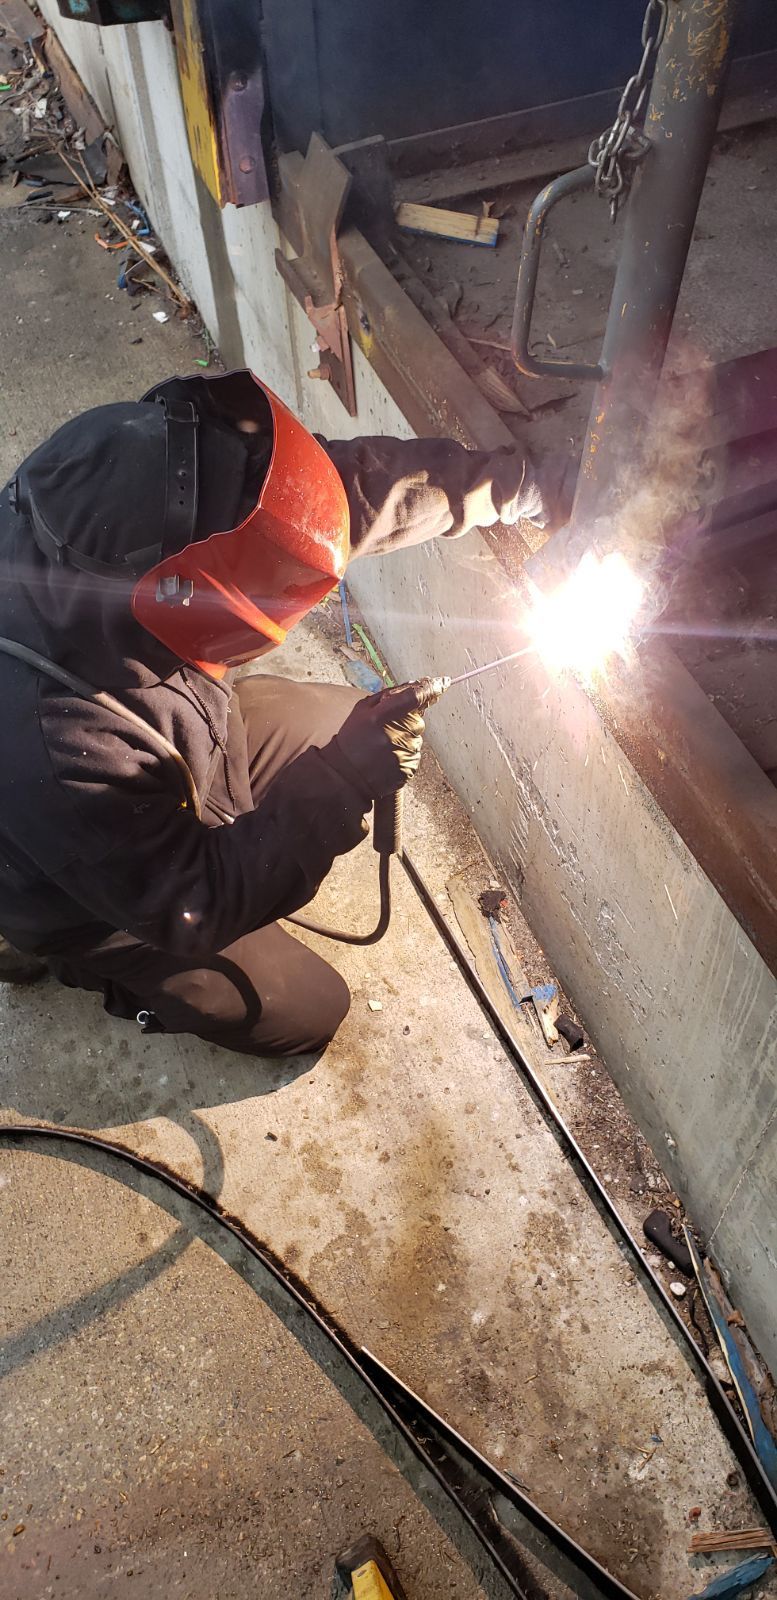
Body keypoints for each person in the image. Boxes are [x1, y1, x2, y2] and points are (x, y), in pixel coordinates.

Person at [0, 369, 550, 1056]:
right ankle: (84, 966)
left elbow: (318, 501)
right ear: (184, 593)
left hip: (152, 744)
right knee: (304, 1010)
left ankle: (196, 800)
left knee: (345, 721)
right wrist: (344, 783)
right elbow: (194, 902)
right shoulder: (59, 755)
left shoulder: (139, 481)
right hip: (75, 888)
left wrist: (519, 485)